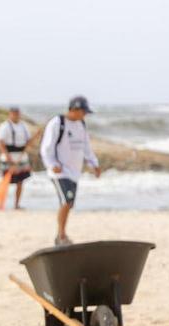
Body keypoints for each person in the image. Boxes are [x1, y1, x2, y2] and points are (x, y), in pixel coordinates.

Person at [40, 96, 101, 245]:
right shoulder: (57, 123)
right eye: (83, 111)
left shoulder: (81, 124)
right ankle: (61, 236)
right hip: (59, 172)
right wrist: (51, 164)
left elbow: (86, 147)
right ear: (74, 109)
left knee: (69, 204)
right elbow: (46, 147)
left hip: (74, 172)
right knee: (66, 201)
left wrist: (94, 163)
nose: (84, 115)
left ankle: (61, 235)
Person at [0, 106, 33, 209]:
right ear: (10, 114)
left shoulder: (24, 126)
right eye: (14, 113)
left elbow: (29, 141)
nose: (16, 115)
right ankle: (0, 203)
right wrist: (7, 156)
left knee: (20, 181)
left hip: (21, 157)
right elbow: (0, 141)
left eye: (18, 113)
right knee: (6, 181)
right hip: (9, 156)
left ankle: (16, 204)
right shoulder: (5, 126)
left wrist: (28, 146)